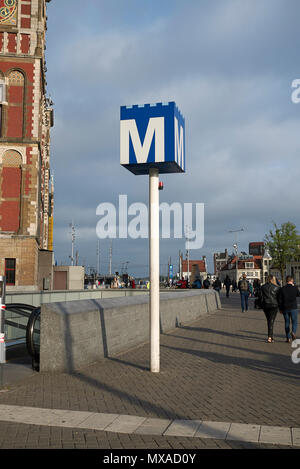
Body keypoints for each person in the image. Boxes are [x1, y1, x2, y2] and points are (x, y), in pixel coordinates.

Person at [278, 276, 300, 343]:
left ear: (286, 281)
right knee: (294, 321)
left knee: (287, 322)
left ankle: (288, 338)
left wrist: (280, 309)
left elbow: (280, 300)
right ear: (292, 280)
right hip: (293, 307)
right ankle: (293, 332)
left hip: (285, 308)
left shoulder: (282, 288)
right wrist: (294, 287)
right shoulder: (295, 288)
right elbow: (298, 295)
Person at [260, 275, 280, 343]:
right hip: (274, 305)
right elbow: (279, 298)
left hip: (265, 305)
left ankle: (270, 336)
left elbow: (260, 296)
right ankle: (270, 337)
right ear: (273, 279)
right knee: (271, 321)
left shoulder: (263, 287)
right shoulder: (277, 287)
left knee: (269, 320)